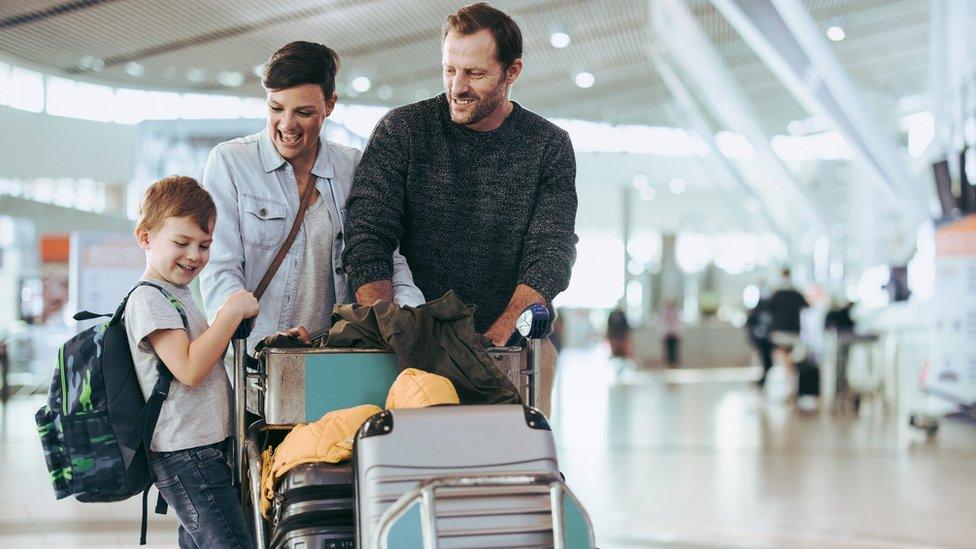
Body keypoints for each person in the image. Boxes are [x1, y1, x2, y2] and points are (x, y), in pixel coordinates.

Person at [342, 3, 578, 415]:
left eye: (475, 73)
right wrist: (386, 331)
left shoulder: (548, 147)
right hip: (408, 352)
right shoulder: (403, 131)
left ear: (512, 72)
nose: (458, 86)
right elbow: (367, 235)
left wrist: (500, 334)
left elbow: (551, 250)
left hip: (506, 352)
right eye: (450, 70)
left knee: (509, 468)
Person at [200, 41, 424, 351]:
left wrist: (412, 315)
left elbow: (387, 256)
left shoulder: (354, 167)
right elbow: (220, 269)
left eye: (303, 112)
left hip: (337, 357)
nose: (287, 125)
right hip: (257, 361)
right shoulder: (231, 163)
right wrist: (243, 330)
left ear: (329, 105)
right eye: (276, 108)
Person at [124, 176, 258, 548]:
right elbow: (190, 368)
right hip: (187, 455)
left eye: (204, 245)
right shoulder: (149, 298)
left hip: (201, 450)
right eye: (181, 243)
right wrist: (229, 313)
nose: (194, 256)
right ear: (146, 237)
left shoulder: (178, 294)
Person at [766, 267, 809, 388]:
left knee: (782, 360)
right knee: (789, 362)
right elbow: (806, 305)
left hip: (779, 332)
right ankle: (790, 386)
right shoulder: (796, 293)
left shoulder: (776, 293)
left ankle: (784, 387)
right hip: (793, 332)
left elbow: (768, 308)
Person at [660, 300, 682, 367]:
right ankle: (668, 363)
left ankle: (674, 364)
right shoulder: (664, 313)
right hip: (667, 335)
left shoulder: (677, 313)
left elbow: (679, 324)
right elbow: (662, 323)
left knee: (674, 350)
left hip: (675, 334)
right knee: (667, 350)